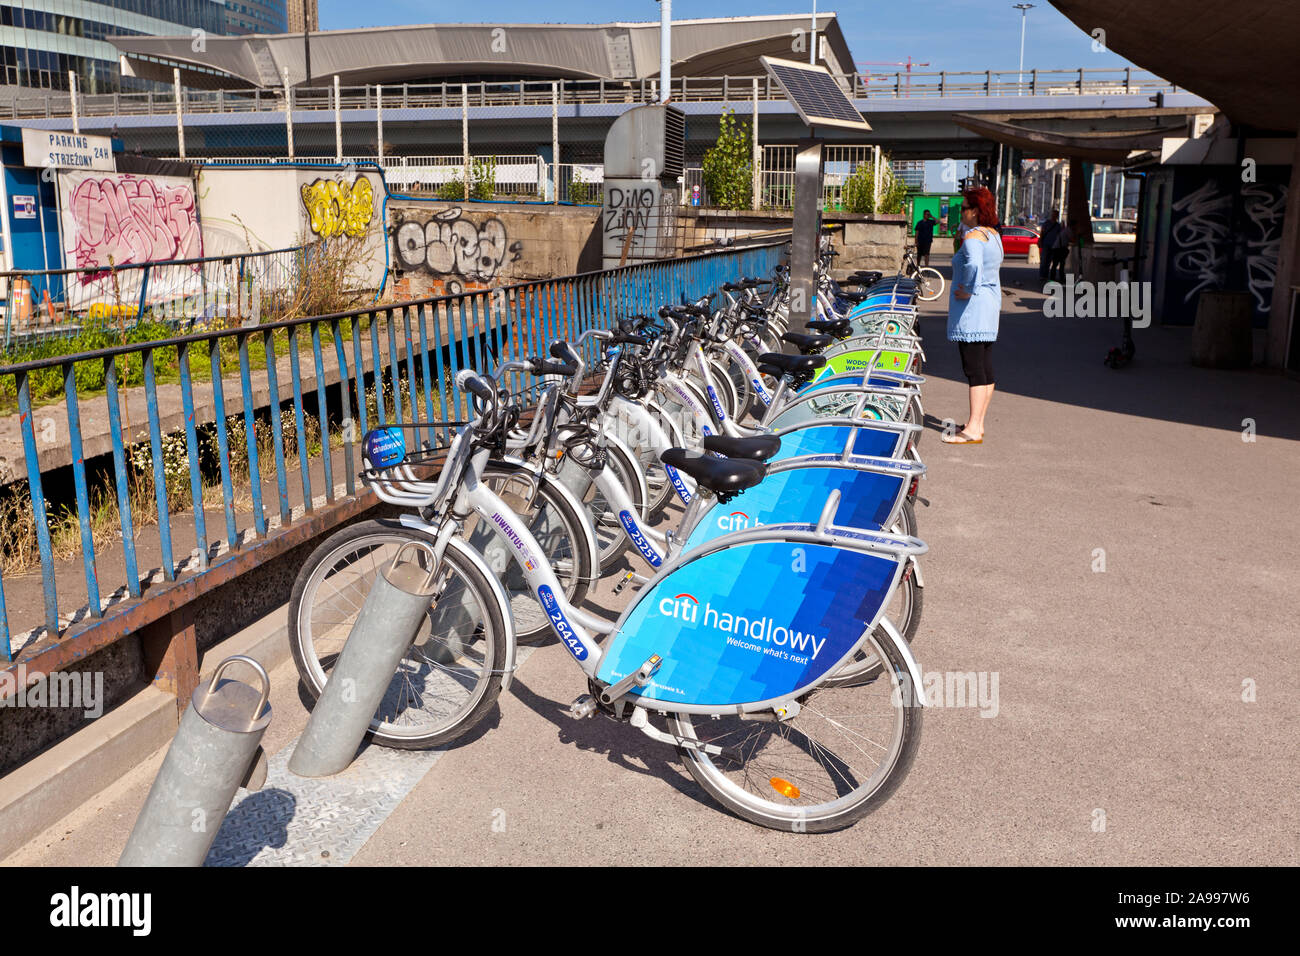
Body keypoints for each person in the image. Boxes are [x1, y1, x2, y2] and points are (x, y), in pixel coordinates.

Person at [941, 186, 1003, 446]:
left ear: (975, 211)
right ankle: (978, 422)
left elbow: (974, 264)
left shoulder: (975, 236)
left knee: (973, 367)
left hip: (974, 311)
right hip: (989, 307)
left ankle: (973, 428)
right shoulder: (993, 235)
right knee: (985, 367)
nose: (961, 212)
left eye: (965, 208)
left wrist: (967, 287)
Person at [1037, 209, 1061, 280]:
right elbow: (1042, 233)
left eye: (1055, 215)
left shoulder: (1058, 225)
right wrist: (1040, 241)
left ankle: (1045, 275)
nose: (1054, 216)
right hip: (1046, 244)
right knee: (1044, 260)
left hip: (1053, 246)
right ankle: (1042, 275)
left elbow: (1059, 235)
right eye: (1053, 214)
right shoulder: (1047, 223)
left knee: (1048, 261)